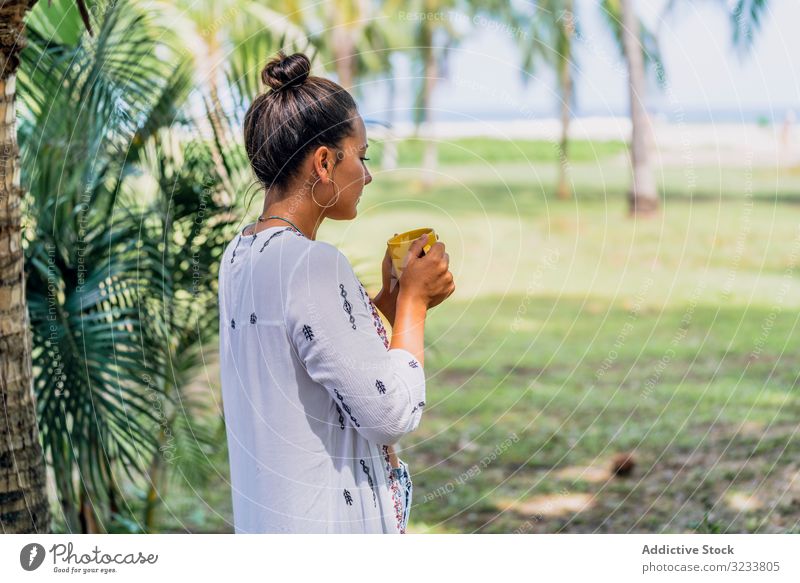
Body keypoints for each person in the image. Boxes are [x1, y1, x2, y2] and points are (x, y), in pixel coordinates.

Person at [217, 50, 455, 533]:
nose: (366, 175)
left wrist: (379, 308)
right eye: (361, 157)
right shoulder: (313, 263)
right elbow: (388, 413)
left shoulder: (240, 255)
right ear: (324, 162)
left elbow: (300, 356)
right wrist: (412, 306)